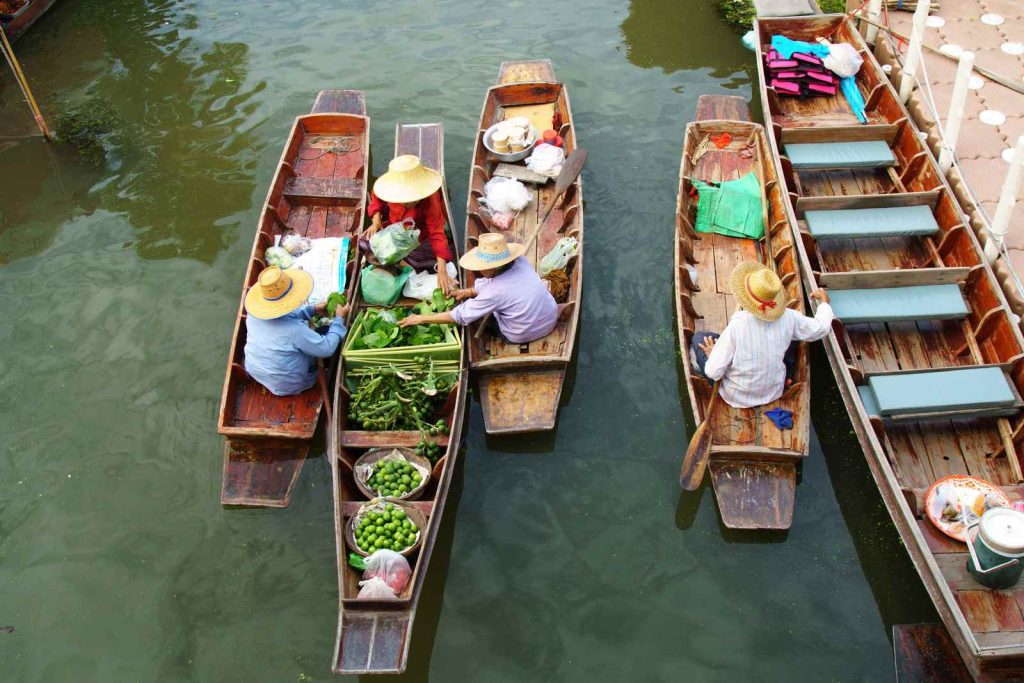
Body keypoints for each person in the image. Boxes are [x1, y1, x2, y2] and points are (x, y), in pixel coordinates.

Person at [692, 261, 834, 409]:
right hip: (773, 392)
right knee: (794, 337)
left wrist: (712, 354)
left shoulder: (738, 324)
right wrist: (825, 303)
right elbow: (821, 328)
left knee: (699, 338)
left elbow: (712, 372)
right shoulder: (789, 317)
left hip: (736, 396)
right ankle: (786, 378)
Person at [398, 232, 558, 344]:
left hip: (521, 334)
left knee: (473, 317)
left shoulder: (494, 292)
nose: (479, 270)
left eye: (481, 267)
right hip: (551, 317)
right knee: (487, 301)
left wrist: (420, 318)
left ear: (491, 268)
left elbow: (459, 316)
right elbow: (500, 283)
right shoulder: (520, 261)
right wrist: (467, 291)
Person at [243, 266, 351, 396]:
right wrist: (340, 318)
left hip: (255, 372)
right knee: (328, 331)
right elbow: (326, 349)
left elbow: (282, 315)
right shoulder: (295, 331)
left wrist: (312, 310)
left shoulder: (254, 315)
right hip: (290, 385)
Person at [364, 154, 456, 295]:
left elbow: (436, 233)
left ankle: (405, 265)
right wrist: (376, 221)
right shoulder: (388, 189)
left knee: (438, 256)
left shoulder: (430, 200)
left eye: (409, 200)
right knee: (367, 247)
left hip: (419, 234)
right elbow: (376, 198)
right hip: (395, 229)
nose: (405, 203)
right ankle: (403, 264)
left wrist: (442, 270)